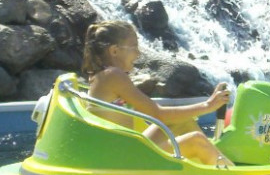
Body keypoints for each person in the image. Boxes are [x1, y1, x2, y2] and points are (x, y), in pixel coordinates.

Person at [82, 21, 234, 166]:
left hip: (124, 150)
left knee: (183, 121)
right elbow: (157, 114)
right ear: (114, 50)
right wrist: (208, 105)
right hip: (122, 159)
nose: (138, 53)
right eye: (134, 47)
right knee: (196, 141)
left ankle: (213, 163)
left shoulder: (101, 76)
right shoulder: (113, 75)